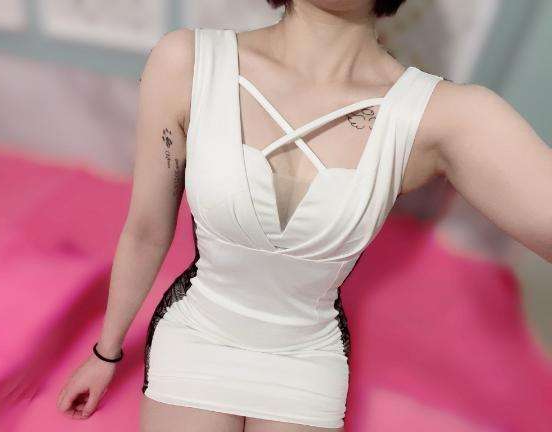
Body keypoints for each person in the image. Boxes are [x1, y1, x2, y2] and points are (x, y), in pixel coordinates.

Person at [56, 0, 552, 431]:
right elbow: (146, 230)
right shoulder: (186, 62)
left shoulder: (439, 115)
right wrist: (106, 352)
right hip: (197, 332)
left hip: (306, 356)